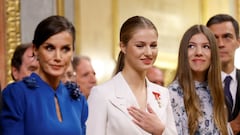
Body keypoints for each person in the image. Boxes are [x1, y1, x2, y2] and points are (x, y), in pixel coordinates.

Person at [86, 16, 177, 135]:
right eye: (140, 46)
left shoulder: (163, 94)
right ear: (123, 46)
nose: (149, 53)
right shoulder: (102, 94)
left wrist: (160, 131)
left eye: (153, 45)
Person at [0, 15, 88, 135]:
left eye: (65, 49)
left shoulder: (78, 99)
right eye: (49, 48)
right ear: (35, 50)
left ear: (72, 52)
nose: (58, 57)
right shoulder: (17, 94)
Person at [168, 24, 229, 135]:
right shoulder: (172, 94)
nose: (199, 52)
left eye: (206, 46)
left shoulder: (218, 92)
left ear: (213, 54)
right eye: (191, 46)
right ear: (183, 53)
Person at [206, 14, 240, 135]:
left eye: (227, 37)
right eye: (214, 38)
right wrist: (231, 128)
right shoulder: (196, 84)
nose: (220, 44)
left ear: (238, 42)